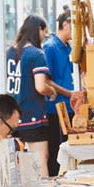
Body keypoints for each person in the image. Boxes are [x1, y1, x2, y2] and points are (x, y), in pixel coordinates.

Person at [6, 15, 57, 177]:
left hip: (10, 115)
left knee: (19, 162)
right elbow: (41, 86)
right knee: (40, 159)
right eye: (45, 31)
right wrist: (52, 91)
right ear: (38, 30)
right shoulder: (36, 55)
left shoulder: (9, 52)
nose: (45, 36)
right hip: (33, 114)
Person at [43, 12, 76, 176]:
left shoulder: (69, 47)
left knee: (67, 147)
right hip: (55, 107)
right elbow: (46, 80)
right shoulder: (50, 47)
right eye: (74, 26)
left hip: (70, 106)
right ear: (65, 25)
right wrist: (69, 93)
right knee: (57, 148)